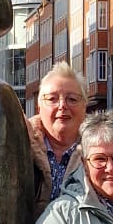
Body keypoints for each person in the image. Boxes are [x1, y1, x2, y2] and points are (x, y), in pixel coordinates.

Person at [27, 65, 88, 213]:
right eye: (52, 99)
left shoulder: (100, 151)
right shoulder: (20, 145)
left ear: (84, 106)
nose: (62, 106)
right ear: (39, 107)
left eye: (72, 99)